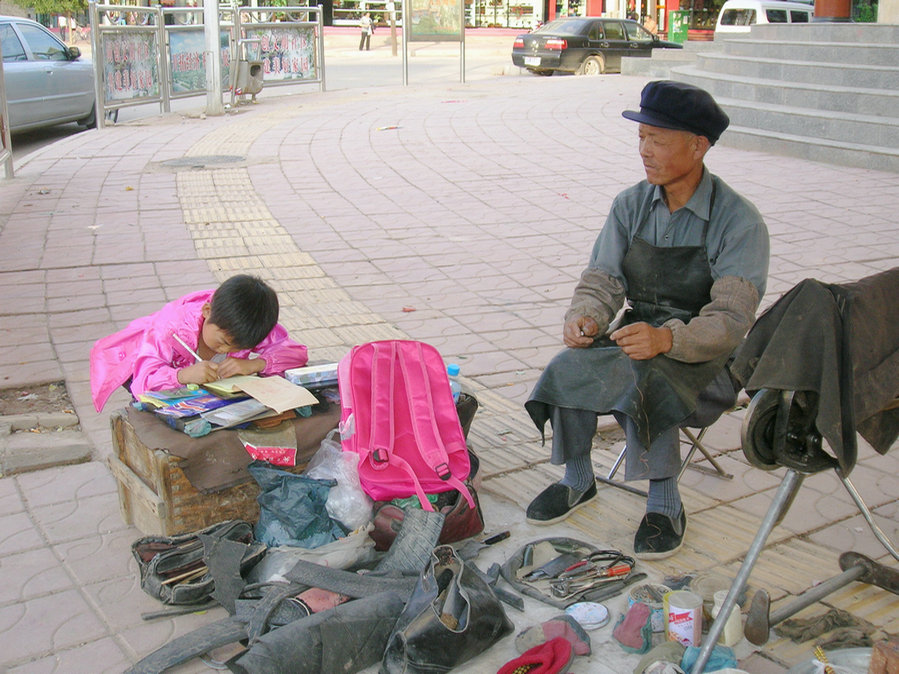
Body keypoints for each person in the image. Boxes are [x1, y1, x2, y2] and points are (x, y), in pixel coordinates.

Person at [524, 81, 770, 559]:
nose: (644, 150)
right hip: (641, 334)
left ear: (698, 146)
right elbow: (602, 278)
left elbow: (732, 318)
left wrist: (667, 339)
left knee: (648, 375)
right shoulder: (630, 204)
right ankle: (578, 480)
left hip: (706, 354)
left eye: (657, 139)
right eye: (641, 138)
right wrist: (587, 317)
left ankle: (664, 504)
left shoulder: (739, 220)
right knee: (567, 364)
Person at [89, 274, 309, 412]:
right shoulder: (170, 328)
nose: (227, 351)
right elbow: (143, 383)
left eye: (239, 349)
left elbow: (295, 352)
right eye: (223, 342)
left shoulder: (246, 325)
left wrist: (255, 364)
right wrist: (182, 376)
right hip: (140, 367)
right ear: (206, 312)